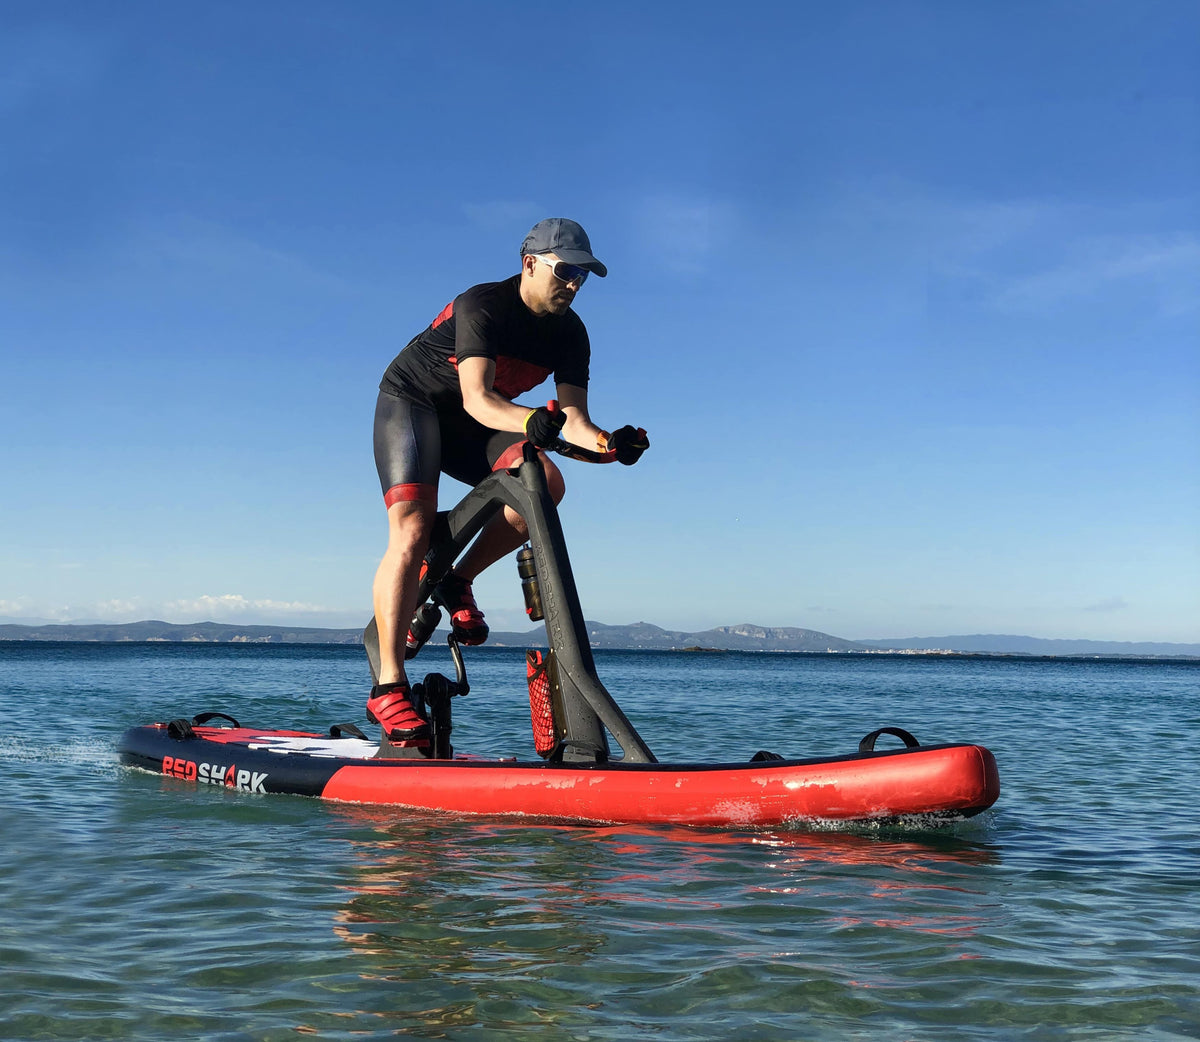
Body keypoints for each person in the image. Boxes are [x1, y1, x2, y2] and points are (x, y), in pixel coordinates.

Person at [369, 218, 649, 749]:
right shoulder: (484, 304)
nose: (572, 284)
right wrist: (529, 422)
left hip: (481, 425)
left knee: (545, 483)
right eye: (564, 271)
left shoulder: (572, 333)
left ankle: (455, 580)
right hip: (415, 407)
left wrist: (614, 446)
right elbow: (477, 398)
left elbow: (577, 424)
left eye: (582, 277)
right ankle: (388, 685)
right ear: (530, 263)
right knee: (411, 531)